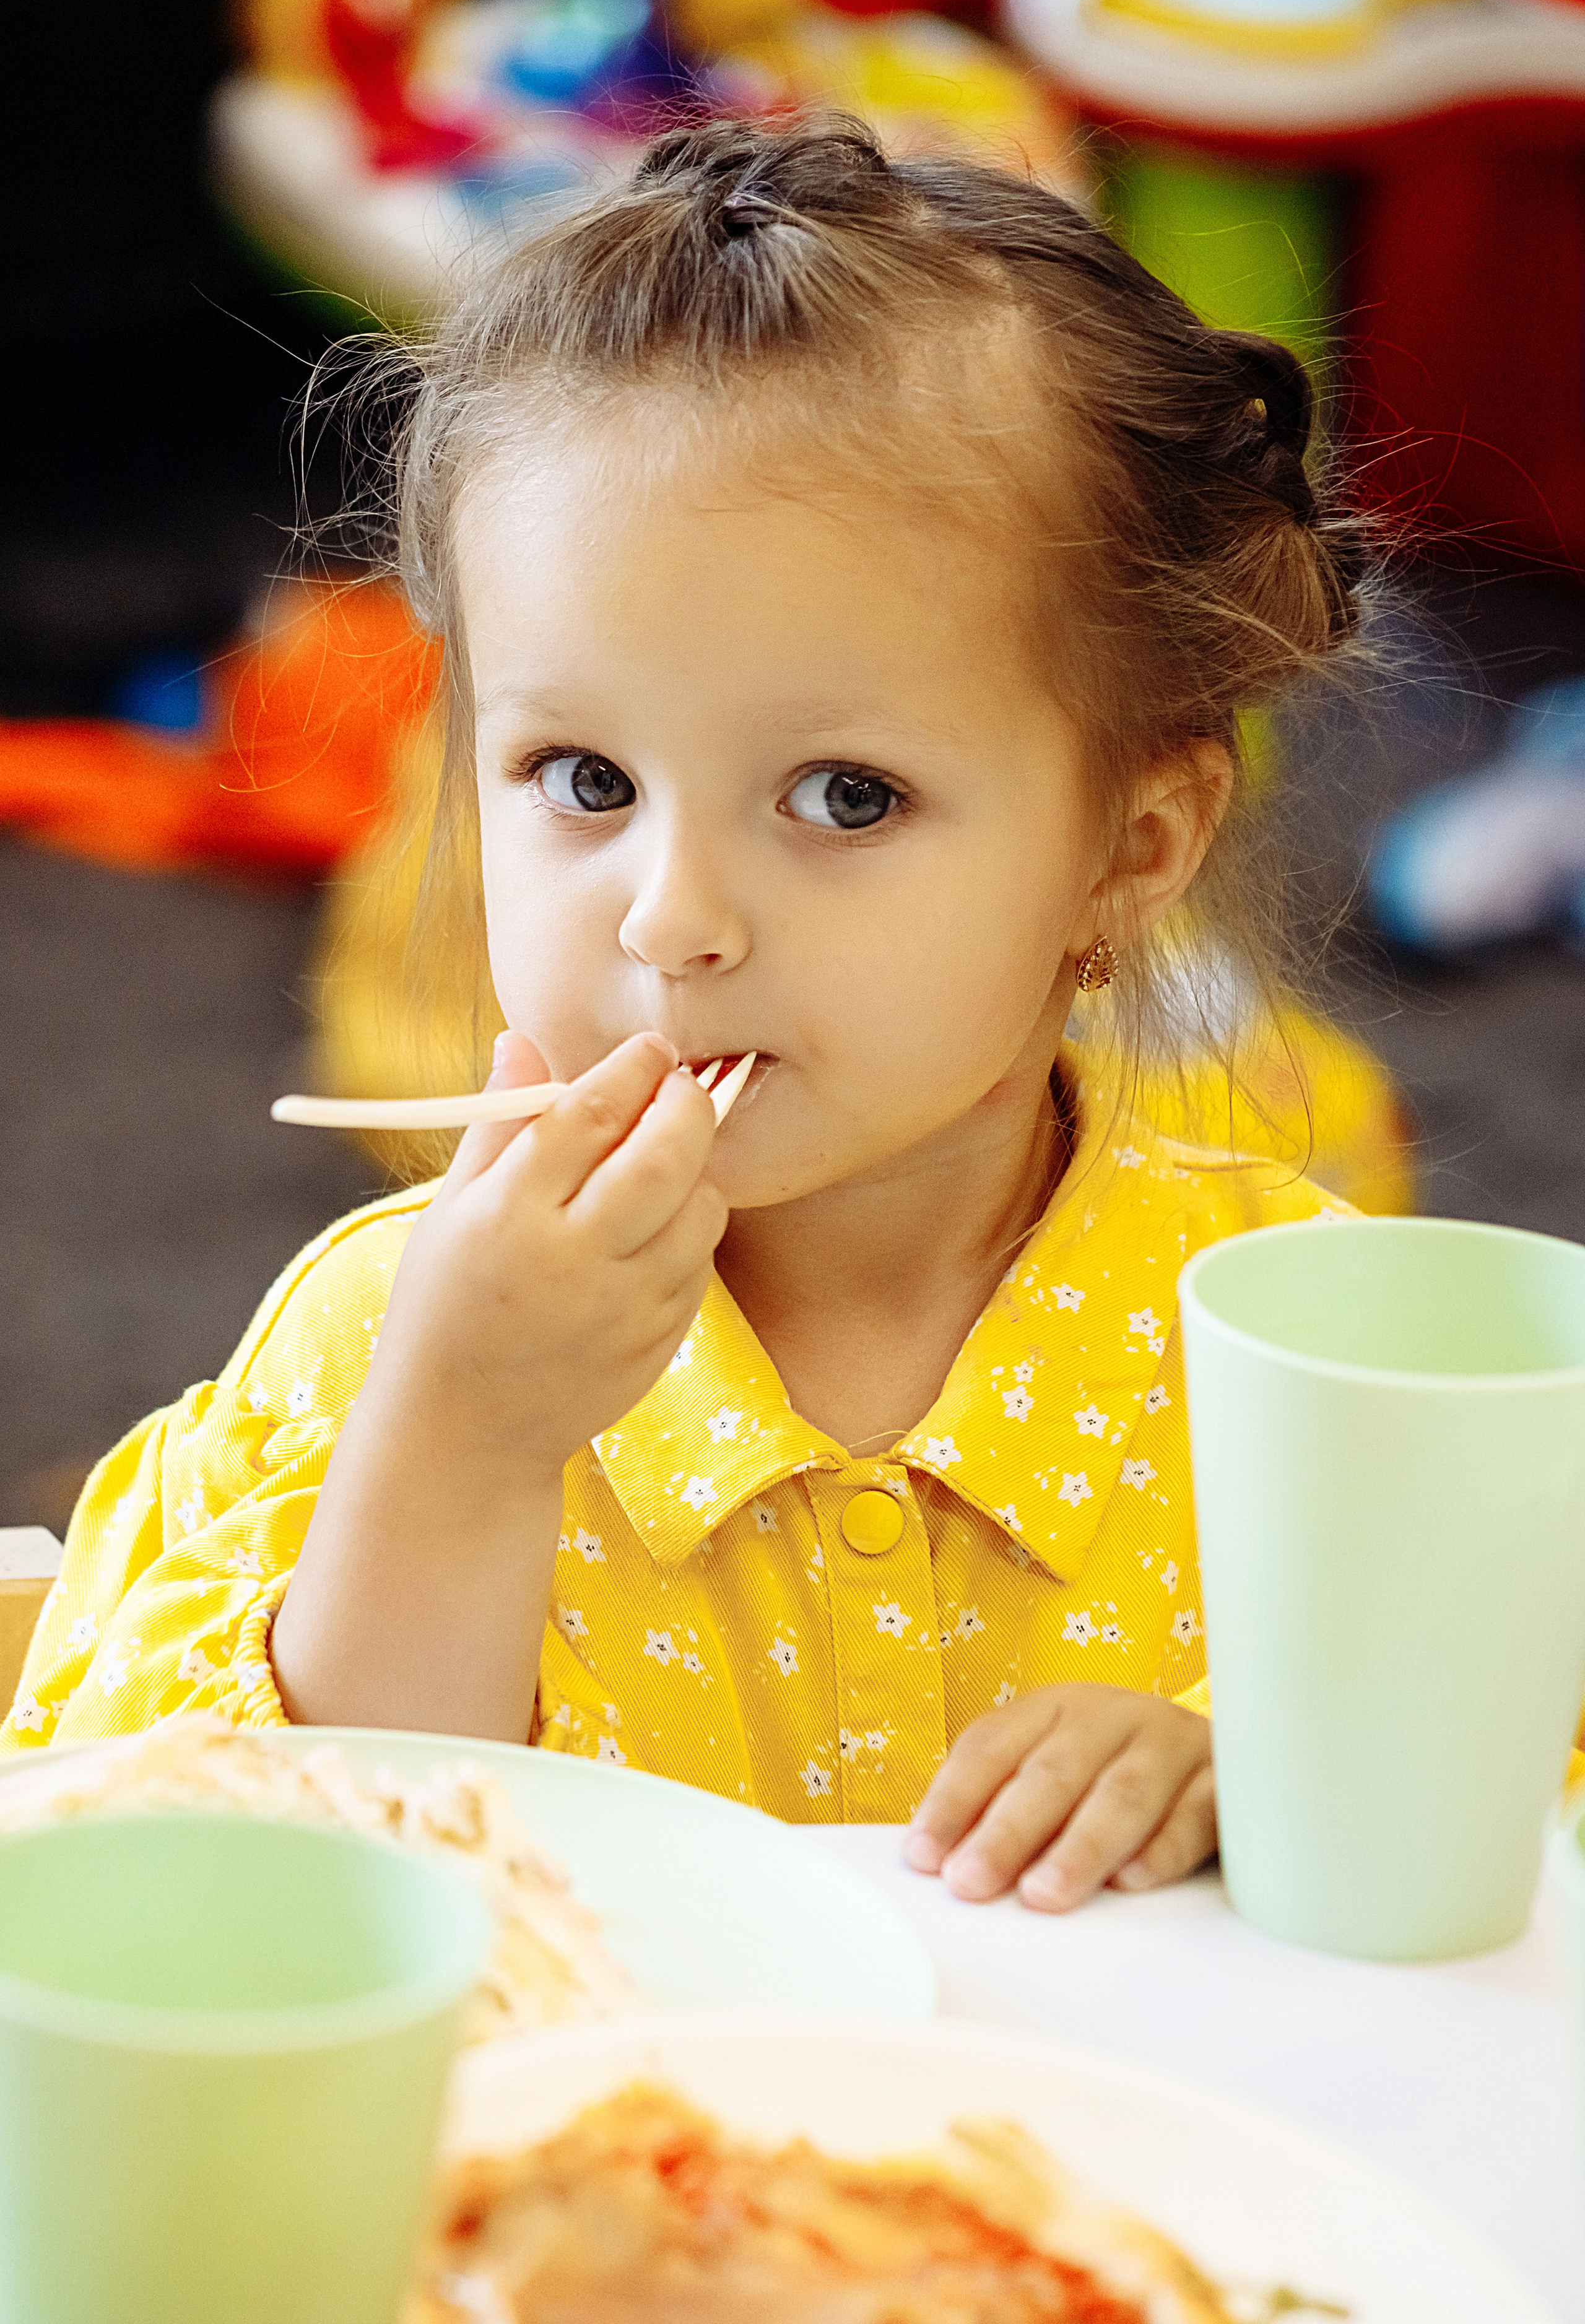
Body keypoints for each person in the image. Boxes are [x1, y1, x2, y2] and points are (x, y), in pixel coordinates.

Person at [1, 117, 1366, 1913]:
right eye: (580, 776)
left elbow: (1496, 1825)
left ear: (1132, 848)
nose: (671, 918)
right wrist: (462, 1445)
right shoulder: (382, 1348)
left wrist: (1265, 1769)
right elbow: (224, 1912)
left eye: (845, 798)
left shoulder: (1307, 1350)